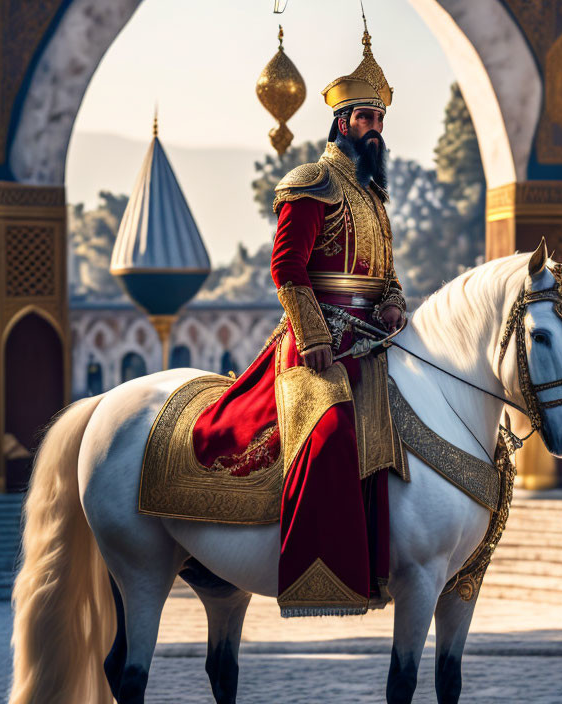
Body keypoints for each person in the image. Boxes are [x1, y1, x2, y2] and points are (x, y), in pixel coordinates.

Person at [191, 26, 406, 617]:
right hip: (316, 343)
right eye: (366, 118)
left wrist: (393, 303)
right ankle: (319, 574)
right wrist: (313, 337)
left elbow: (385, 273)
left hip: (372, 339)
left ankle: (384, 566)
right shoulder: (312, 183)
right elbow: (286, 268)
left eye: (381, 119)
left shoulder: (372, 195)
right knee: (332, 433)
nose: (376, 129)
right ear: (341, 122)